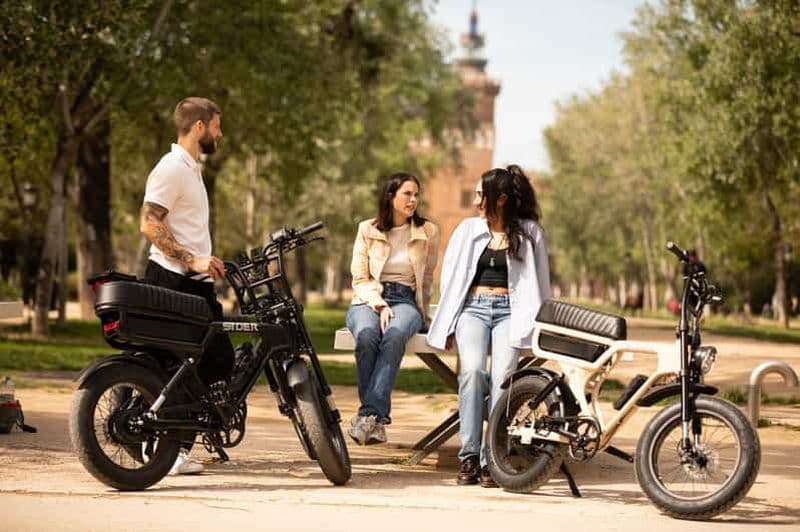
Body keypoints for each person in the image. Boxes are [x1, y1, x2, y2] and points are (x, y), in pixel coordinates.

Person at [427, 165, 551, 488]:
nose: (476, 200)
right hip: (474, 309)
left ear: (501, 199)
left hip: (511, 312)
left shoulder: (529, 232)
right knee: (471, 373)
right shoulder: (468, 230)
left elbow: (541, 283)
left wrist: (542, 326)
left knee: (503, 381)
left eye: (482, 194)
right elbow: (452, 280)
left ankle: (491, 457)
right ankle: (468, 456)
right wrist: (450, 320)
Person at [139, 97, 235, 475]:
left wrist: (204, 258)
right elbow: (150, 223)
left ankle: (173, 446)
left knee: (213, 360)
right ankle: (170, 450)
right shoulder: (172, 168)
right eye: (216, 125)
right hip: (172, 280)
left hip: (193, 282)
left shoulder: (191, 169)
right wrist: (189, 258)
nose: (220, 133)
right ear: (199, 127)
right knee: (196, 363)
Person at [346, 172, 440, 446]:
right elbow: (360, 278)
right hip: (368, 297)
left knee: (395, 335)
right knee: (366, 335)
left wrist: (422, 314)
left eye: (416, 194)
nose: (413, 200)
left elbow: (426, 278)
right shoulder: (367, 229)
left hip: (406, 300)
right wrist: (378, 303)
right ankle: (375, 420)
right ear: (391, 196)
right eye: (407, 194)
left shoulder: (427, 232)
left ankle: (368, 417)